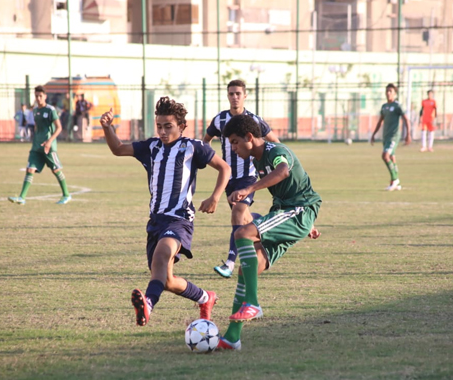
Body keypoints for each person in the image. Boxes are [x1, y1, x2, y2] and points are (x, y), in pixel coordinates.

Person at [100, 97, 231, 327]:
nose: (162, 131)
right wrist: (107, 128)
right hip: (155, 222)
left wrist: (215, 197)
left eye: (168, 126)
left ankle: (148, 305)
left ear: (181, 126)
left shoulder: (193, 147)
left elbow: (225, 168)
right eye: (159, 126)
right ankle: (205, 297)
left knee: (162, 257)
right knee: (166, 280)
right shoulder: (151, 147)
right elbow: (118, 149)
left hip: (180, 220)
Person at [216, 114, 322, 351]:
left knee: (242, 234)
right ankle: (232, 338)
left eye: (234, 141)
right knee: (247, 268)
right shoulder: (258, 159)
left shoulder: (275, 152)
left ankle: (252, 303)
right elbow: (297, 182)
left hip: (297, 210)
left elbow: (284, 171)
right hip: (292, 213)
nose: (232, 148)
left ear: (249, 137)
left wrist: (249, 188)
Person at [203, 79, 280, 279]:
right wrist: (213, 160)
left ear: (245, 96)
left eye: (238, 93)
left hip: (249, 176)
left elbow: (275, 142)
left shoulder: (254, 120)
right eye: (231, 93)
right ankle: (260, 222)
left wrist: (271, 162)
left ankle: (229, 262)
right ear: (227, 96)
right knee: (244, 219)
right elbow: (205, 142)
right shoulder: (219, 120)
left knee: (237, 211)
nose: (235, 97)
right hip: (229, 178)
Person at [8, 85, 71, 205]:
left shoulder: (50, 110)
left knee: (56, 170)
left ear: (45, 96)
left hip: (49, 147)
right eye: (36, 96)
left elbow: (59, 128)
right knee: (30, 169)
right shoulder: (35, 110)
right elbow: (38, 128)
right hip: (36, 147)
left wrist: (49, 141)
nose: (38, 98)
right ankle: (22, 197)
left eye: (40, 96)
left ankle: (66, 195)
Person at [370, 83, 411, 191]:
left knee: (385, 156)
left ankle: (395, 179)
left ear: (395, 93)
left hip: (394, 136)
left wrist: (408, 134)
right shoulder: (384, 107)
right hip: (386, 137)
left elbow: (406, 119)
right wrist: (374, 134)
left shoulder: (397, 106)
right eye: (387, 91)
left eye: (390, 91)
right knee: (392, 157)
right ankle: (395, 182)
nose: (388, 93)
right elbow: (380, 121)